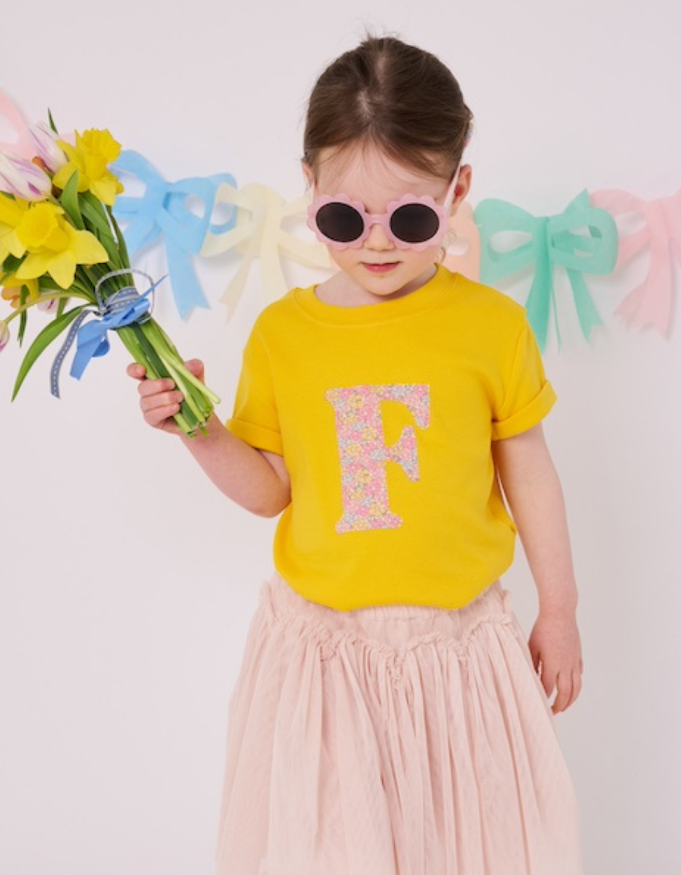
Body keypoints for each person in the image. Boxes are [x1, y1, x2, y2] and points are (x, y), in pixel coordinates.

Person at [127, 34, 584, 875]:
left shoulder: (489, 327)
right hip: (327, 656)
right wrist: (200, 430)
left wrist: (560, 607)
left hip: (459, 653)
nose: (376, 244)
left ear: (457, 192)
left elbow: (529, 469)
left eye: (411, 219)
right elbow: (271, 490)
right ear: (309, 187)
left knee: (468, 846)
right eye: (345, 218)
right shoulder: (284, 335)